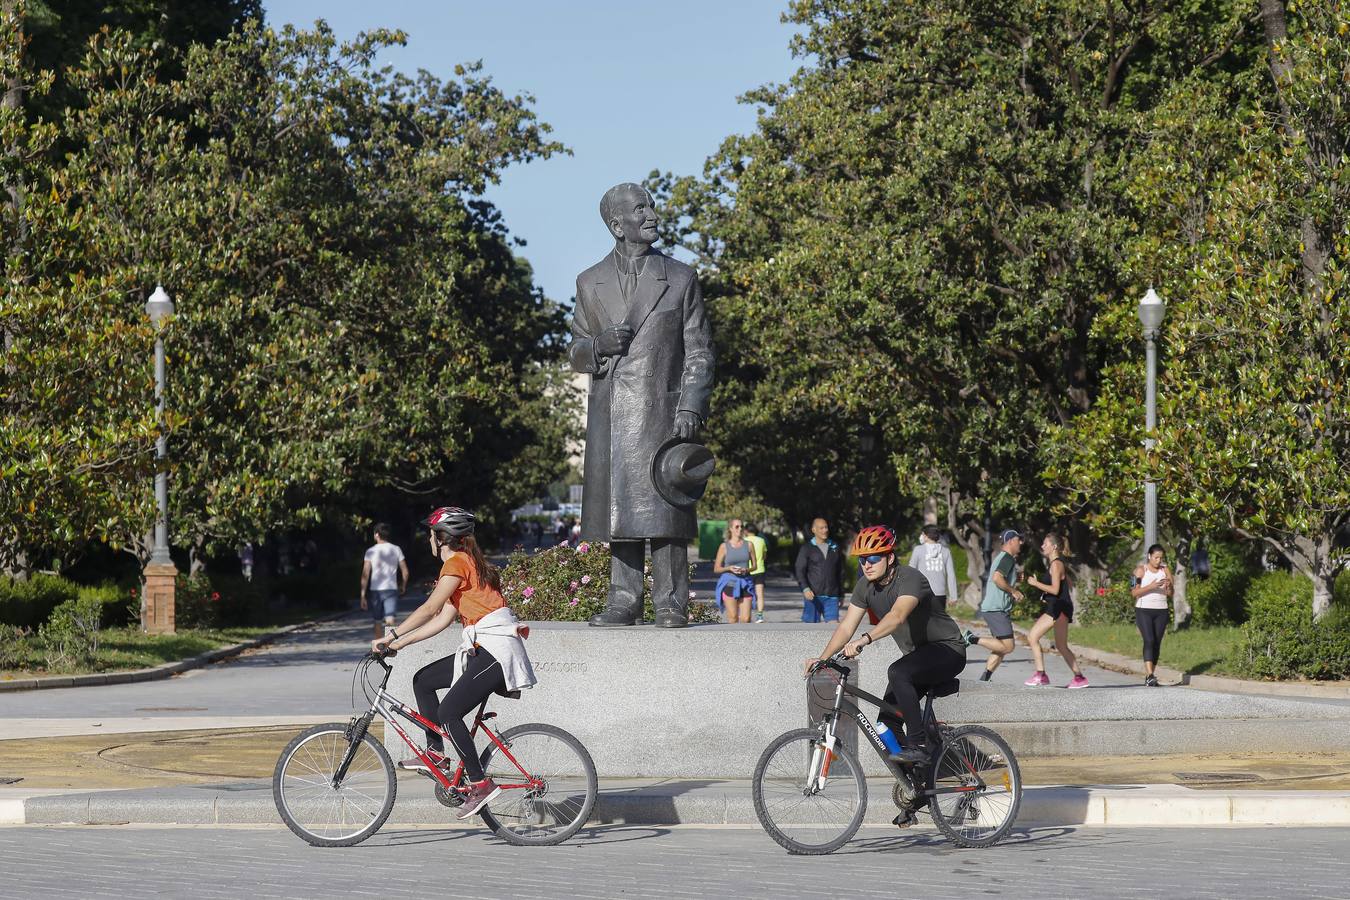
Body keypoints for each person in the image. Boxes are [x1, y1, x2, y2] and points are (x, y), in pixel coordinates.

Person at [567, 182, 715, 628]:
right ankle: (624, 600)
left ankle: (671, 602)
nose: (652, 214)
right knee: (620, 510)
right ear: (617, 225)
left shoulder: (681, 277)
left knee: (667, 504)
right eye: (640, 209)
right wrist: (597, 345)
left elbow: (701, 351)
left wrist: (691, 406)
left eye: (651, 205)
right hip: (613, 414)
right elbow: (574, 350)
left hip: (664, 412)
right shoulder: (589, 282)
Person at [372, 506, 536, 819]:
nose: (428, 540)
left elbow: (430, 608)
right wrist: (399, 644)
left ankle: (480, 784)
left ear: (440, 538)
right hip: (482, 648)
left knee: (448, 712)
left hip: (497, 651)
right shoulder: (462, 564)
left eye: (430, 535)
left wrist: (389, 633)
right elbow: (444, 618)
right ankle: (437, 754)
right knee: (423, 680)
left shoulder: (458, 563)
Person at [804, 525, 972, 765]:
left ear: (890, 557)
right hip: (919, 658)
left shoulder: (911, 579)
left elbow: (897, 616)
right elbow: (845, 627)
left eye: (873, 558)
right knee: (887, 722)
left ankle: (919, 745)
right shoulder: (865, 587)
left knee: (897, 671)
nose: (867, 565)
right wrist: (822, 659)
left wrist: (864, 640)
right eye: (862, 560)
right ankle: (917, 781)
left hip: (948, 650)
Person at [1021, 533, 1089, 688]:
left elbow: (1055, 588)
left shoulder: (1056, 564)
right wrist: (1047, 595)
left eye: (1045, 543)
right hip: (1061, 606)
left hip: (1057, 608)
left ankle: (1040, 675)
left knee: (1032, 637)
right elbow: (1067, 586)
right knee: (1061, 645)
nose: (1042, 546)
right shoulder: (1058, 564)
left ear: (1054, 547)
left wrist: (1036, 584)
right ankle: (1079, 678)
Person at [972, 530, 1024, 681]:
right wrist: (1013, 591)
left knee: (1000, 646)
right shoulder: (1007, 558)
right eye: (1018, 539)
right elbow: (997, 578)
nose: (1020, 543)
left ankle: (985, 677)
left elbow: (1001, 577)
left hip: (996, 608)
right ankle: (972, 639)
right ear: (1010, 541)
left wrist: (1016, 578)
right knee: (1008, 646)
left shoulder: (1005, 559)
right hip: (996, 609)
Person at [1132, 544, 1173, 687]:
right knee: (1149, 640)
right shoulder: (1140, 571)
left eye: (1161, 558)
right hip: (1144, 610)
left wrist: (1168, 586)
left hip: (1161, 610)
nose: (1158, 561)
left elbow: (1171, 593)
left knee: (1156, 642)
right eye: (1156, 557)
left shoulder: (1165, 570)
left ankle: (1151, 676)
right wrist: (1152, 586)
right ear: (1149, 556)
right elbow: (1134, 593)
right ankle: (1150, 675)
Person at [360, 523, 408, 640]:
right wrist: (403, 585)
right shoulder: (396, 549)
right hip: (391, 588)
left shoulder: (370, 551)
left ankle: (378, 648)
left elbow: (365, 574)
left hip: (375, 590)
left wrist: (362, 595)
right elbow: (405, 571)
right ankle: (389, 645)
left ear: (376, 535)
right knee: (390, 619)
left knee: (377, 620)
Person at [794, 518, 844, 623]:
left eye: (826, 527)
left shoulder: (835, 547)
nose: (825, 530)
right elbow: (799, 569)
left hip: (832, 596)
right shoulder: (807, 548)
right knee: (810, 630)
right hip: (813, 596)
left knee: (833, 629)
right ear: (814, 530)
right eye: (821, 528)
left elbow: (839, 572)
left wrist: (841, 593)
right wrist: (805, 588)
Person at [713, 519, 758, 623]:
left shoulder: (749, 545)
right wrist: (729, 568)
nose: (740, 529)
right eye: (737, 527)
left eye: (741, 526)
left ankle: (746, 639)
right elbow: (716, 569)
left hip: (746, 582)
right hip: (730, 583)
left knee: (746, 619)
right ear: (730, 529)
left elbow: (755, 566)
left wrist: (747, 569)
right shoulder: (724, 546)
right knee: (733, 617)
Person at [907, 525, 959, 604]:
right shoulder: (946, 551)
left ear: (927, 536)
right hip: (940, 594)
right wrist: (953, 596)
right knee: (938, 616)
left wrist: (909, 592)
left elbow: (910, 572)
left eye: (923, 534)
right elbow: (951, 575)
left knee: (922, 616)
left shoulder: (918, 550)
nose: (921, 536)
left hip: (922, 593)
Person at [744, 522, 769, 623]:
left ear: (745, 531)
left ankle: (746, 614)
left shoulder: (744, 541)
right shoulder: (761, 540)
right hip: (759, 570)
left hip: (746, 570)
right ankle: (760, 616)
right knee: (760, 594)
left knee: (746, 594)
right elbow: (764, 556)